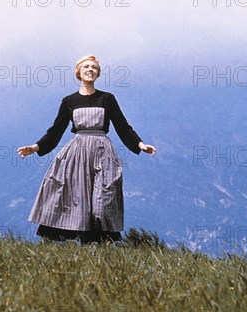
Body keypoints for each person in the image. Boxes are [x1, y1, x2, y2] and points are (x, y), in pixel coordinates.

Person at [17, 55, 156, 243]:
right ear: (78, 72)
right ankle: (74, 238)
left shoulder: (107, 98)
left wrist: (140, 144)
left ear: (98, 73)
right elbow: (56, 130)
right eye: (86, 67)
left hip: (102, 151)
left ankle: (100, 241)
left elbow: (123, 126)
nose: (90, 70)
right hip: (77, 153)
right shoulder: (69, 101)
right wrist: (35, 147)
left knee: (104, 197)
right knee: (75, 197)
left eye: (94, 67)